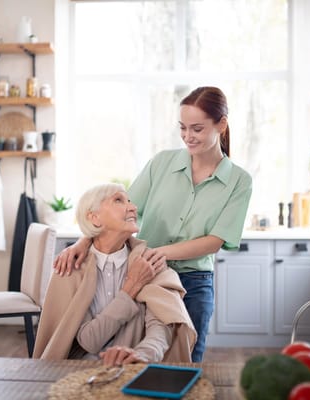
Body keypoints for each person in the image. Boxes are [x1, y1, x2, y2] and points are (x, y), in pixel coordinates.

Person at [54, 86, 253, 362]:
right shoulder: (162, 163)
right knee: (142, 354)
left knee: (187, 359)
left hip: (194, 283)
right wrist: (83, 240)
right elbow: (124, 213)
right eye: (182, 127)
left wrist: (159, 253)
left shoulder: (239, 181)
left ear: (221, 124)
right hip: (147, 275)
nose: (187, 136)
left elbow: (215, 240)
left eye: (196, 129)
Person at [33, 183, 197, 366]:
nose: (133, 207)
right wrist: (130, 288)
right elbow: (89, 341)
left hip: (137, 368)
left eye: (130, 201)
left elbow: (161, 327)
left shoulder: (150, 262)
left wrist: (143, 355)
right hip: (80, 370)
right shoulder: (71, 268)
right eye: (119, 200)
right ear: (94, 218)